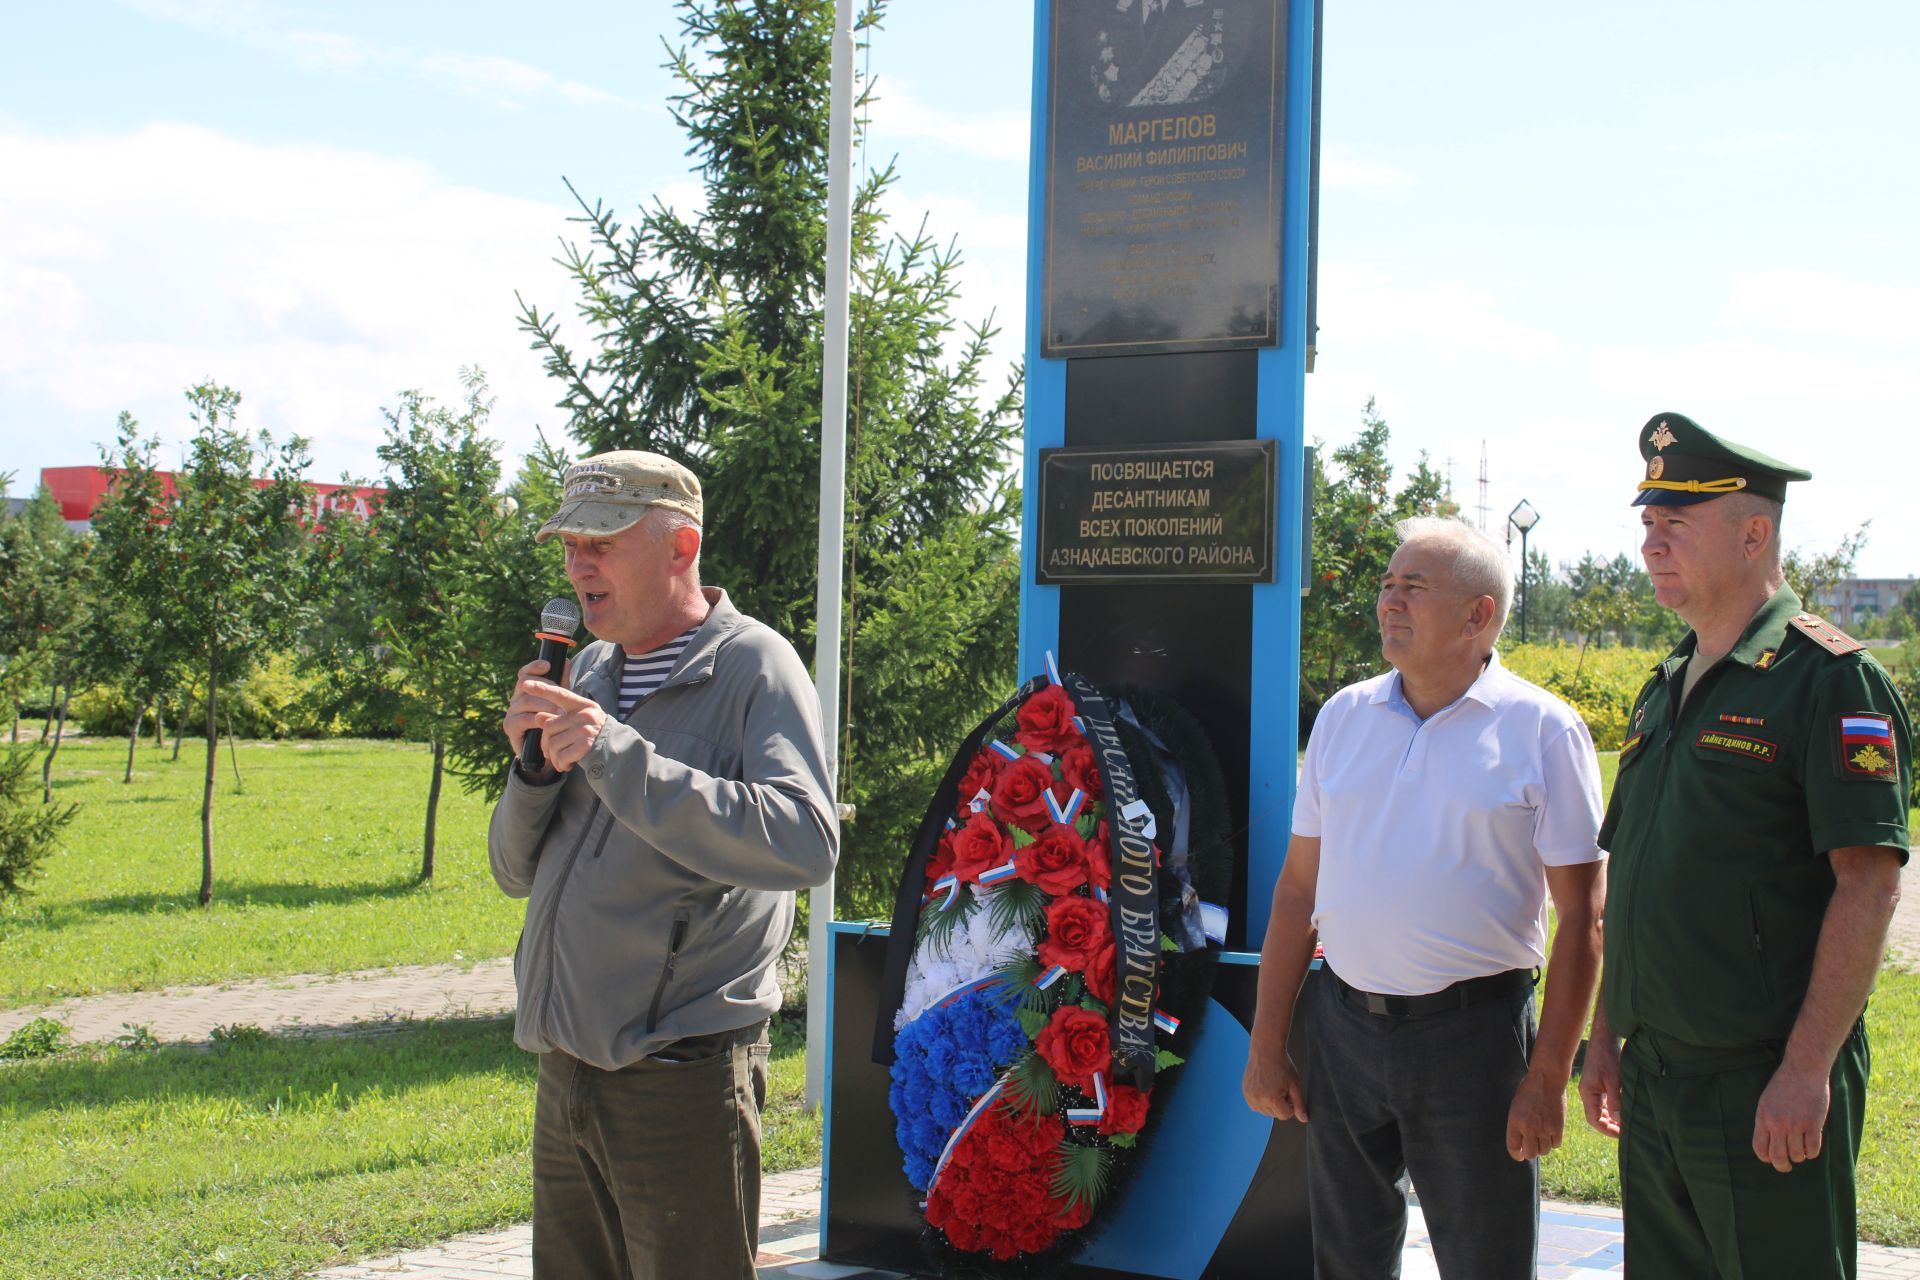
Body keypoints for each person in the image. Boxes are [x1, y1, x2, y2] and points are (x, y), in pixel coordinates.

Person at [489, 449, 839, 1280]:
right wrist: (533, 772)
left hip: (677, 1079)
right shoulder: (593, 672)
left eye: (601, 542)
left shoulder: (755, 665)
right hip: (566, 1067)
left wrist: (617, 754)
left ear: (680, 547)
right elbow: (511, 871)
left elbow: (803, 841)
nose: (578, 565)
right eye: (571, 543)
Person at [1578, 413, 1910, 1280]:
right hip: (1656, 1085)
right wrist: (1606, 1036)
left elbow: (1867, 888)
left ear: (1754, 532)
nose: (1651, 543)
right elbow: (1640, 881)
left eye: (1676, 523)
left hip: (1761, 1086)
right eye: (1647, 522)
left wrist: (1807, 1073)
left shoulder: (1832, 681)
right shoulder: (1664, 687)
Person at [1244, 515, 1606, 1280]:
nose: (1389, 602)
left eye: (1414, 587)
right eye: (1386, 585)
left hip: (1472, 1042)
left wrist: (1547, 1077)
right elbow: (1297, 891)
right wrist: (1267, 1043)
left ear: (1480, 615)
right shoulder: (1345, 717)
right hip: (1343, 1027)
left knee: (1485, 1263)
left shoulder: (1544, 731)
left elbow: (1583, 919)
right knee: (1345, 1260)